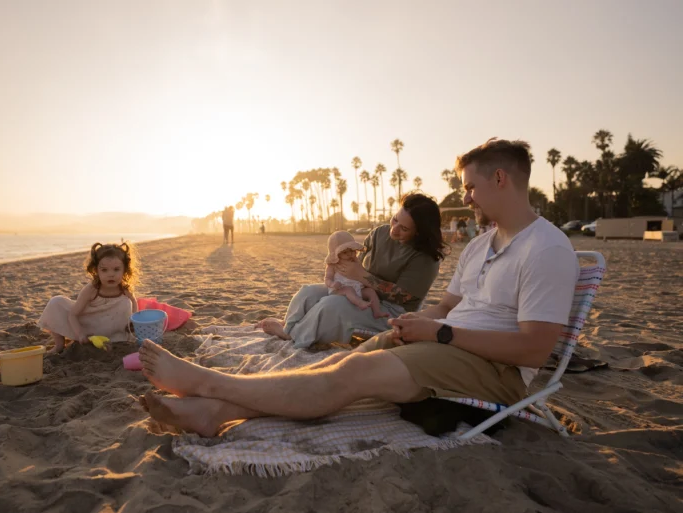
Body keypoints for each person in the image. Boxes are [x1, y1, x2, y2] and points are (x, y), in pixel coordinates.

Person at [137, 137, 580, 437]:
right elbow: (445, 307)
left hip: (494, 372)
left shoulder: (546, 249)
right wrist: (417, 322)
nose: (465, 198)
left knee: (354, 374)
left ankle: (211, 385)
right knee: (338, 363)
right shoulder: (481, 245)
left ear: (500, 179)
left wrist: (440, 334)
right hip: (448, 346)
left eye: (470, 187)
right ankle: (214, 413)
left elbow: (533, 351)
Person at [256, 192, 447, 348]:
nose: (394, 230)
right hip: (359, 289)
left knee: (332, 305)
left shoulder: (426, 258)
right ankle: (290, 325)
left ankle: (293, 335)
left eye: (403, 228)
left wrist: (362, 276)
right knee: (308, 292)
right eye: (395, 219)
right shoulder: (380, 233)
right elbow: (356, 262)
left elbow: (402, 297)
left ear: (419, 232)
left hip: (390, 309)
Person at [38, 242, 140, 353]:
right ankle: (59, 345)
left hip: (113, 330)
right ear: (96, 270)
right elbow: (73, 314)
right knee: (56, 302)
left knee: (126, 302)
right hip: (88, 326)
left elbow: (134, 302)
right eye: (104, 270)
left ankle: (115, 338)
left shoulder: (124, 288)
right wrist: (80, 334)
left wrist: (133, 321)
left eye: (116, 269)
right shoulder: (92, 289)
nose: (111, 274)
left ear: (125, 270)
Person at [323, 231, 388, 319]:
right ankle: (360, 303)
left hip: (357, 288)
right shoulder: (333, 265)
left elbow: (361, 272)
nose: (349, 254)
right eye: (345, 252)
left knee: (370, 291)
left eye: (352, 250)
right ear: (336, 254)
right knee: (348, 290)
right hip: (340, 289)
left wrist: (358, 266)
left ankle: (377, 311)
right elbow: (327, 278)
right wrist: (332, 284)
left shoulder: (355, 261)